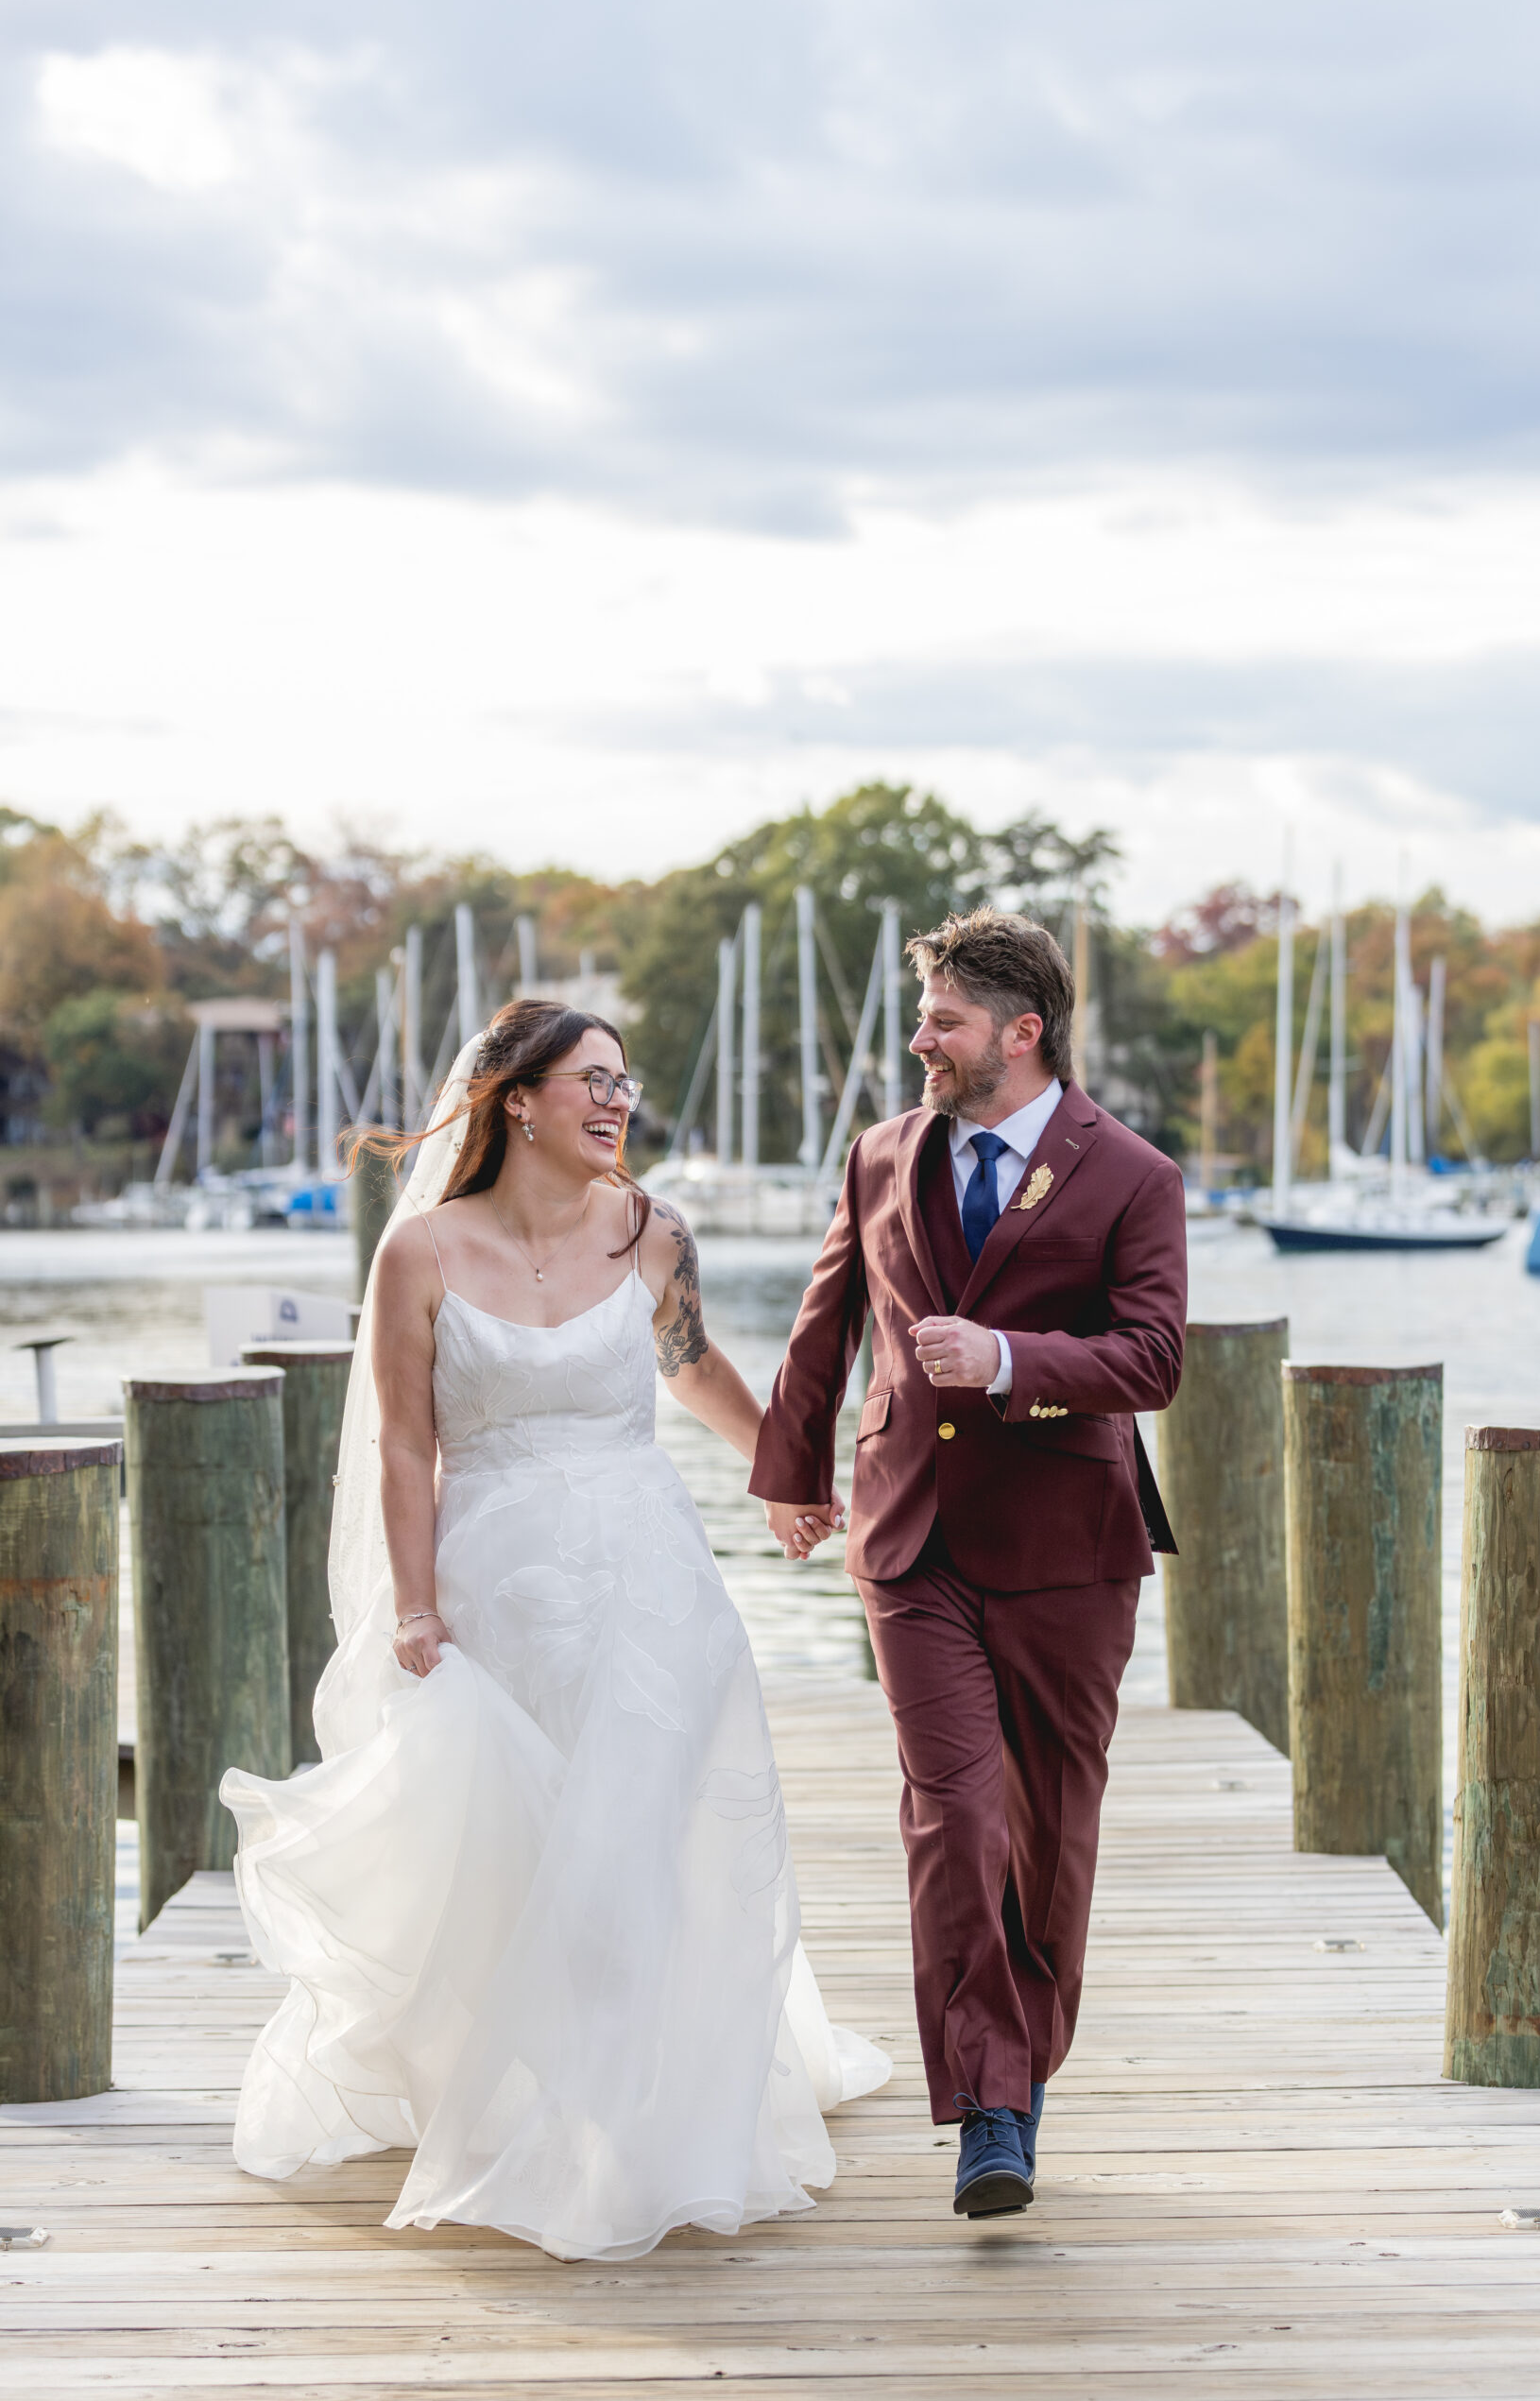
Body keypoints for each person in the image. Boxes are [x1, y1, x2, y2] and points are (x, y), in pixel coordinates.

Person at [221, 1001, 888, 2263]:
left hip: (650, 1582)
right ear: (514, 1101)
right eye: (592, 1081)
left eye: (625, 1084)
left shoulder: (652, 1233)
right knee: (525, 1850)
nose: (616, 1102)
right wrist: (415, 1604)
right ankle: (528, 2081)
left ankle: (631, 2117)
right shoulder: (421, 1253)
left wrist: (787, 1476)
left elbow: (689, 1368)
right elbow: (407, 1443)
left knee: (639, 1833)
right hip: (495, 1587)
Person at [752, 906, 1186, 2219]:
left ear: (1021, 1031)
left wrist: (1007, 1362)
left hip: (1068, 1546)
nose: (920, 1039)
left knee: (1048, 1834)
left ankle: (1019, 2062)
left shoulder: (1134, 1177)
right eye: (924, 1014)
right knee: (955, 1814)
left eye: (943, 1019)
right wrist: (791, 1471)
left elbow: (1154, 1360)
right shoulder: (881, 1152)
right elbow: (827, 1318)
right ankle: (990, 2110)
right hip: (911, 1536)